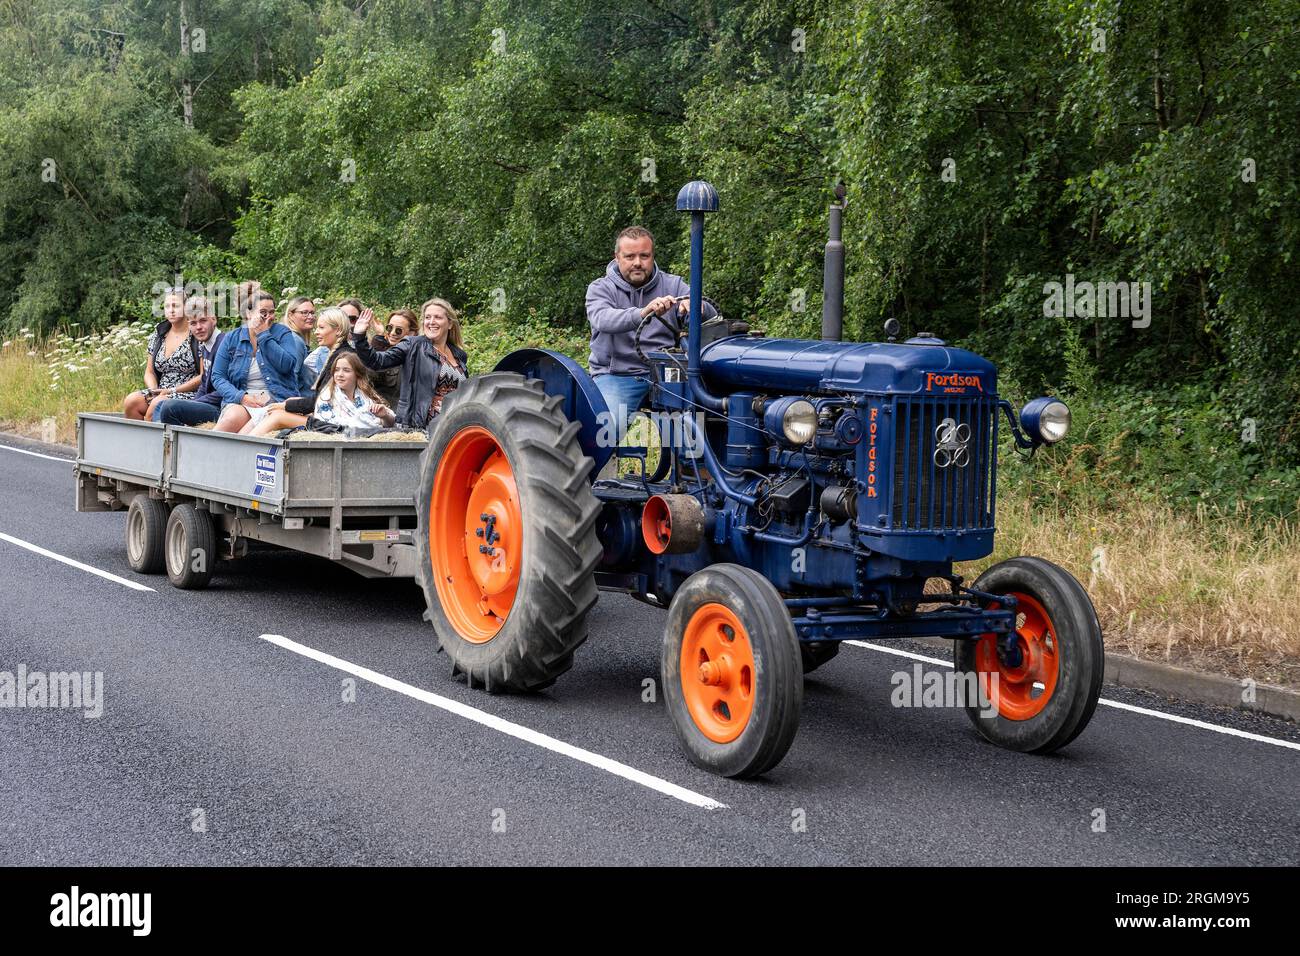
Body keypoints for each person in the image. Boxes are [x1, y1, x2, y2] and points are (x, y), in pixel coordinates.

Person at [586, 225, 716, 432]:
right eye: (630, 256)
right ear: (617, 257)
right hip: (618, 375)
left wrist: (698, 308)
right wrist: (642, 312)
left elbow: (710, 312)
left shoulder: (674, 285)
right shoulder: (601, 288)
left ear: (652, 256)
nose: (637, 263)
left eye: (644, 256)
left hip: (667, 373)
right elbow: (603, 319)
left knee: (702, 422)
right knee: (606, 430)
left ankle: (692, 463)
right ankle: (602, 462)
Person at [352, 297, 468, 431]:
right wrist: (359, 336)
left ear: (450, 324)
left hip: (454, 426)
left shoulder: (459, 355)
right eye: (427, 317)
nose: (431, 322)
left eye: (438, 317)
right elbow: (377, 361)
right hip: (421, 428)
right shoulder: (413, 345)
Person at [243, 307, 355, 437]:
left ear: (338, 330)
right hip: (333, 417)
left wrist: (286, 406)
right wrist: (292, 402)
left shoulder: (343, 359)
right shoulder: (339, 354)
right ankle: (238, 444)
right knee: (275, 409)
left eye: (321, 328)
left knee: (277, 415)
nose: (316, 332)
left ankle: (244, 449)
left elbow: (324, 402)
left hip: (340, 425)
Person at [211, 290, 310, 433]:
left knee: (245, 435)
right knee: (231, 418)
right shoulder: (232, 338)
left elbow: (287, 366)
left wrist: (264, 335)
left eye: (272, 312)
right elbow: (218, 376)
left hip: (275, 400)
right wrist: (241, 397)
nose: (269, 317)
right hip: (242, 399)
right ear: (249, 314)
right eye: (263, 312)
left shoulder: (282, 333)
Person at [123, 288, 203, 420]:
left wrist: (172, 391)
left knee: (155, 406)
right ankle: (135, 438)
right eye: (167, 306)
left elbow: (203, 376)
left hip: (187, 392)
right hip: (160, 390)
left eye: (176, 306)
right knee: (131, 401)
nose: (171, 310)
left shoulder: (196, 332)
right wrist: (154, 390)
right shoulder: (159, 332)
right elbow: (149, 371)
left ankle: (152, 440)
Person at [151, 297, 226, 427]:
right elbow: (204, 383)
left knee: (169, 407)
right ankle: (164, 442)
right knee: (160, 405)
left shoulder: (223, 345)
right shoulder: (205, 345)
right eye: (193, 323)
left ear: (214, 319)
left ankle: (175, 442)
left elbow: (226, 389)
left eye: (203, 321)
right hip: (207, 402)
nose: (198, 327)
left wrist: (197, 402)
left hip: (222, 407)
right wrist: (195, 402)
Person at [309, 352, 395, 431]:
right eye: (336, 370)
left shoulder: (366, 396)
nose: (340, 375)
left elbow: (390, 424)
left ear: (357, 374)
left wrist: (385, 416)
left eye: (346, 370)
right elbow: (327, 430)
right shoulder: (326, 398)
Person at [367, 307, 414, 410]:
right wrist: (379, 336)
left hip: (399, 417)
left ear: (411, 333)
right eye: (389, 328)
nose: (392, 333)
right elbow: (368, 374)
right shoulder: (382, 348)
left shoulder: (415, 357)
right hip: (377, 414)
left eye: (398, 330)